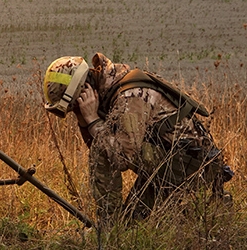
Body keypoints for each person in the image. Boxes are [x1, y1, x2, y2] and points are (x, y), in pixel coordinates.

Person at [43, 53, 232, 224]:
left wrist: (93, 120)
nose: (76, 109)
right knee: (132, 226)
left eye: (74, 105)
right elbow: (99, 144)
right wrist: (83, 119)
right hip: (171, 164)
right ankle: (204, 210)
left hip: (188, 167)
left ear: (84, 89)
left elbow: (123, 157)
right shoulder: (110, 89)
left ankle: (109, 227)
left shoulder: (129, 96)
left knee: (104, 148)